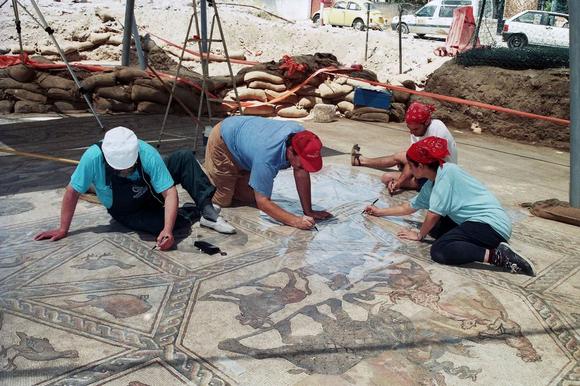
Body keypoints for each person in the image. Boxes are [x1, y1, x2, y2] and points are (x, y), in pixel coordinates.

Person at [35, 126, 235, 251]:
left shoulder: (146, 151)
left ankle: (207, 210)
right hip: (127, 209)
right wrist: (63, 229)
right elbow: (72, 192)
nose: (125, 171)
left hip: (151, 191)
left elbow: (169, 192)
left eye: (128, 166)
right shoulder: (92, 157)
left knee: (183, 157)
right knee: (170, 225)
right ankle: (189, 212)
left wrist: (167, 229)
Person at [364, 136, 535, 276]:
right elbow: (409, 206)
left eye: (410, 166)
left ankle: (498, 256)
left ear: (421, 166)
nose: (408, 170)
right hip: (480, 223)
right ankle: (484, 245)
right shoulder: (433, 181)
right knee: (436, 229)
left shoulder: (447, 174)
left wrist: (419, 235)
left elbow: (433, 214)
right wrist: (379, 212)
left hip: (490, 225)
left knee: (440, 250)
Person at [204, 116, 332, 230]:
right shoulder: (267, 156)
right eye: (302, 163)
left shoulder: (302, 137)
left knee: (248, 197)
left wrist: (308, 211)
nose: (304, 167)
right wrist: (296, 221)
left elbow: (301, 172)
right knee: (222, 200)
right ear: (291, 151)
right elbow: (263, 203)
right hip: (223, 140)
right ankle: (204, 176)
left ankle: (233, 174)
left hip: (249, 145)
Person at [352, 101, 458, 195]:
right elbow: (413, 158)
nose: (412, 132)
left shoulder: (438, 130)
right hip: (424, 167)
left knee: (387, 178)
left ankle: (417, 184)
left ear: (426, 123)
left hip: (436, 177)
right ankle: (362, 160)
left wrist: (400, 182)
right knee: (399, 157)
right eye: (409, 128)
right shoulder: (418, 131)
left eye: (415, 129)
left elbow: (423, 165)